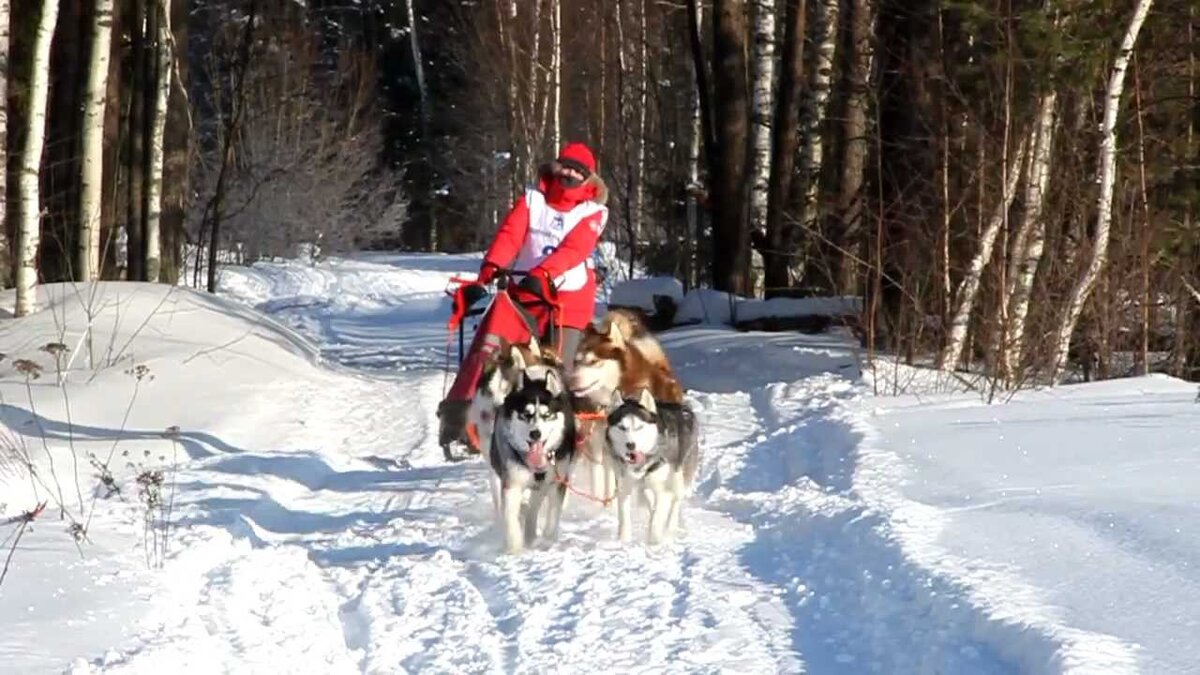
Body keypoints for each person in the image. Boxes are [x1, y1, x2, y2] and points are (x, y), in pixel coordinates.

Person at [438, 142, 609, 450]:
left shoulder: (593, 212)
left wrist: (544, 274)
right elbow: (510, 235)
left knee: (560, 366)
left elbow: (576, 249)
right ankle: (470, 417)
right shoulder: (532, 200)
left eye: (578, 171)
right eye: (566, 166)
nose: (569, 173)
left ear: (588, 179)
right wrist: (491, 268)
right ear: (556, 167)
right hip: (525, 294)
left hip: (567, 301)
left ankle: (567, 431)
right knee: (499, 351)